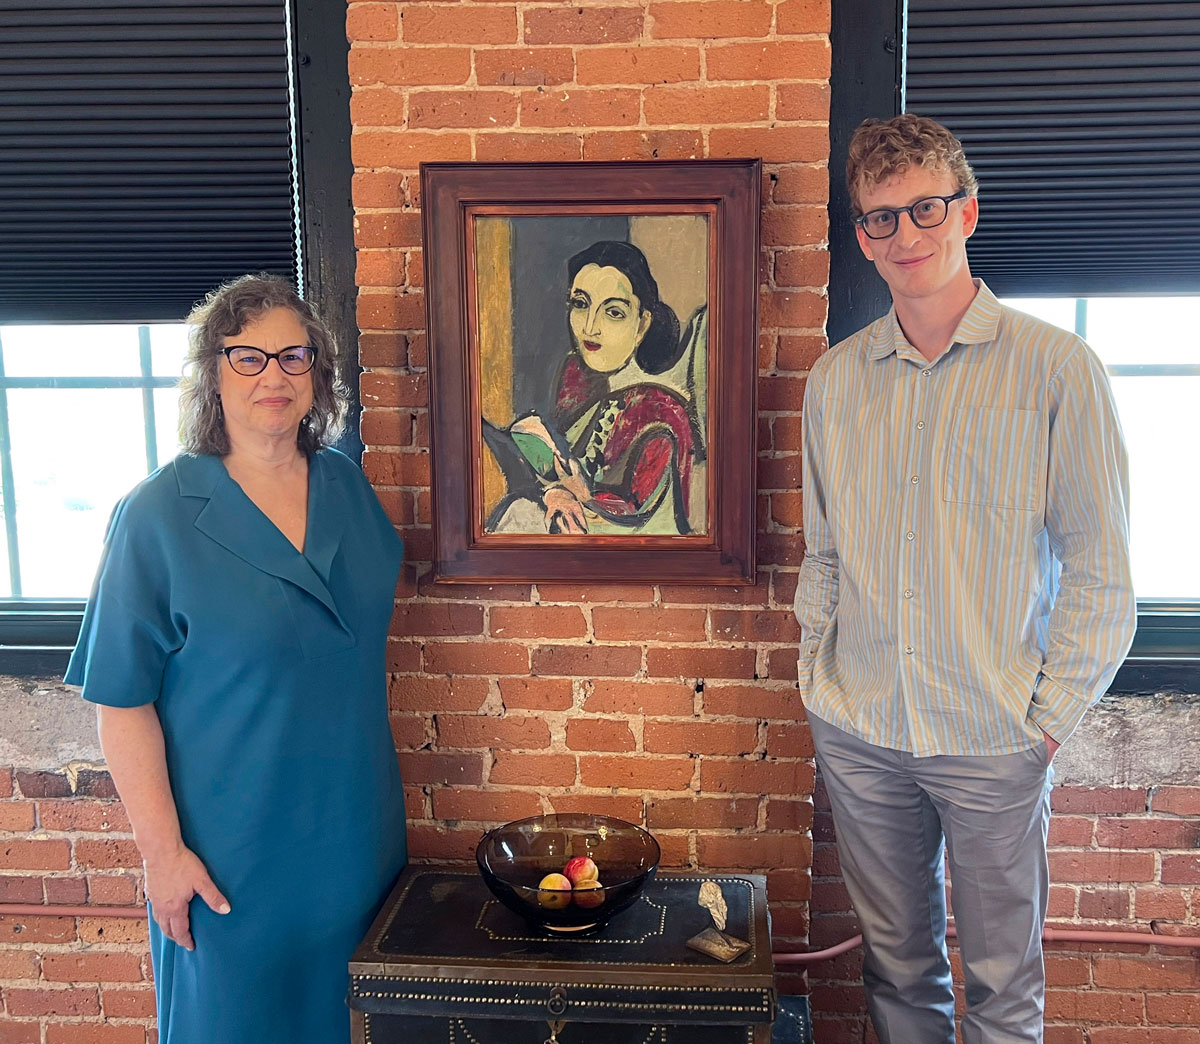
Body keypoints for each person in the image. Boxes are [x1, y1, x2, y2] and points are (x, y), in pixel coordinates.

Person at [794, 114, 1135, 1043]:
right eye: (880, 219)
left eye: (925, 209)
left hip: (994, 736)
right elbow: (823, 554)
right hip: (862, 731)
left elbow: (1103, 573)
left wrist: (1046, 723)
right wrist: (817, 684)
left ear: (967, 211)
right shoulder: (834, 383)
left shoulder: (1058, 370)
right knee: (897, 970)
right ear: (862, 236)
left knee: (1003, 985)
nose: (906, 235)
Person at [65, 274, 407, 1044]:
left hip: (358, 845)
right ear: (212, 373)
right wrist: (163, 857)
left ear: (317, 373)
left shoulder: (348, 491)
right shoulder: (156, 516)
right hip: (229, 863)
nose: (274, 377)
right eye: (247, 358)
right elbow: (119, 702)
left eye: (293, 356)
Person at [484, 239, 705, 536]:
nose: (590, 326)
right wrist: (553, 491)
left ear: (642, 324)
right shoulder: (576, 376)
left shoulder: (661, 411)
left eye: (613, 312)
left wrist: (584, 496)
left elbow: (641, 516)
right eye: (580, 304)